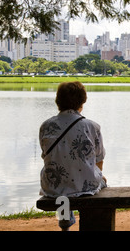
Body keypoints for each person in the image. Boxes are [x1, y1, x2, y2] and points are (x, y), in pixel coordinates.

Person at [39, 81, 106, 231]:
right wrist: (100, 176)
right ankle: (90, 221)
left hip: (52, 187)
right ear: (82, 102)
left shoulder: (46, 125)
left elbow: (47, 156)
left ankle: (64, 223)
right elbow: (99, 160)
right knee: (97, 181)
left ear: (58, 101)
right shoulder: (92, 126)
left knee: (62, 183)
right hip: (86, 187)